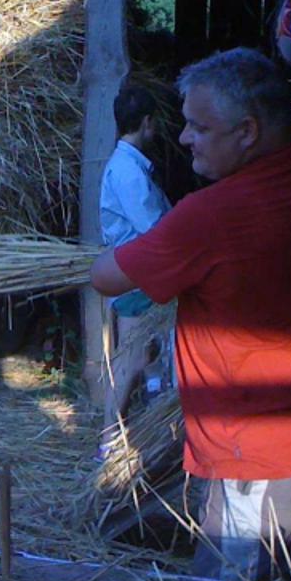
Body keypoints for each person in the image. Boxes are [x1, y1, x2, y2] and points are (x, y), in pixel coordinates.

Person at [89, 48, 291, 581]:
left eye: (199, 127)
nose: (186, 138)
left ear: (247, 131)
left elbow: (107, 275)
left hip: (255, 444)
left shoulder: (213, 215)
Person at [98, 84, 172, 435]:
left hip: (137, 273)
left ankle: (146, 425)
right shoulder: (128, 172)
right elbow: (152, 227)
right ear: (146, 122)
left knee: (149, 356)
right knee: (131, 360)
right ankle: (110, 435)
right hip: (136, 275)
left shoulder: (131, 166)